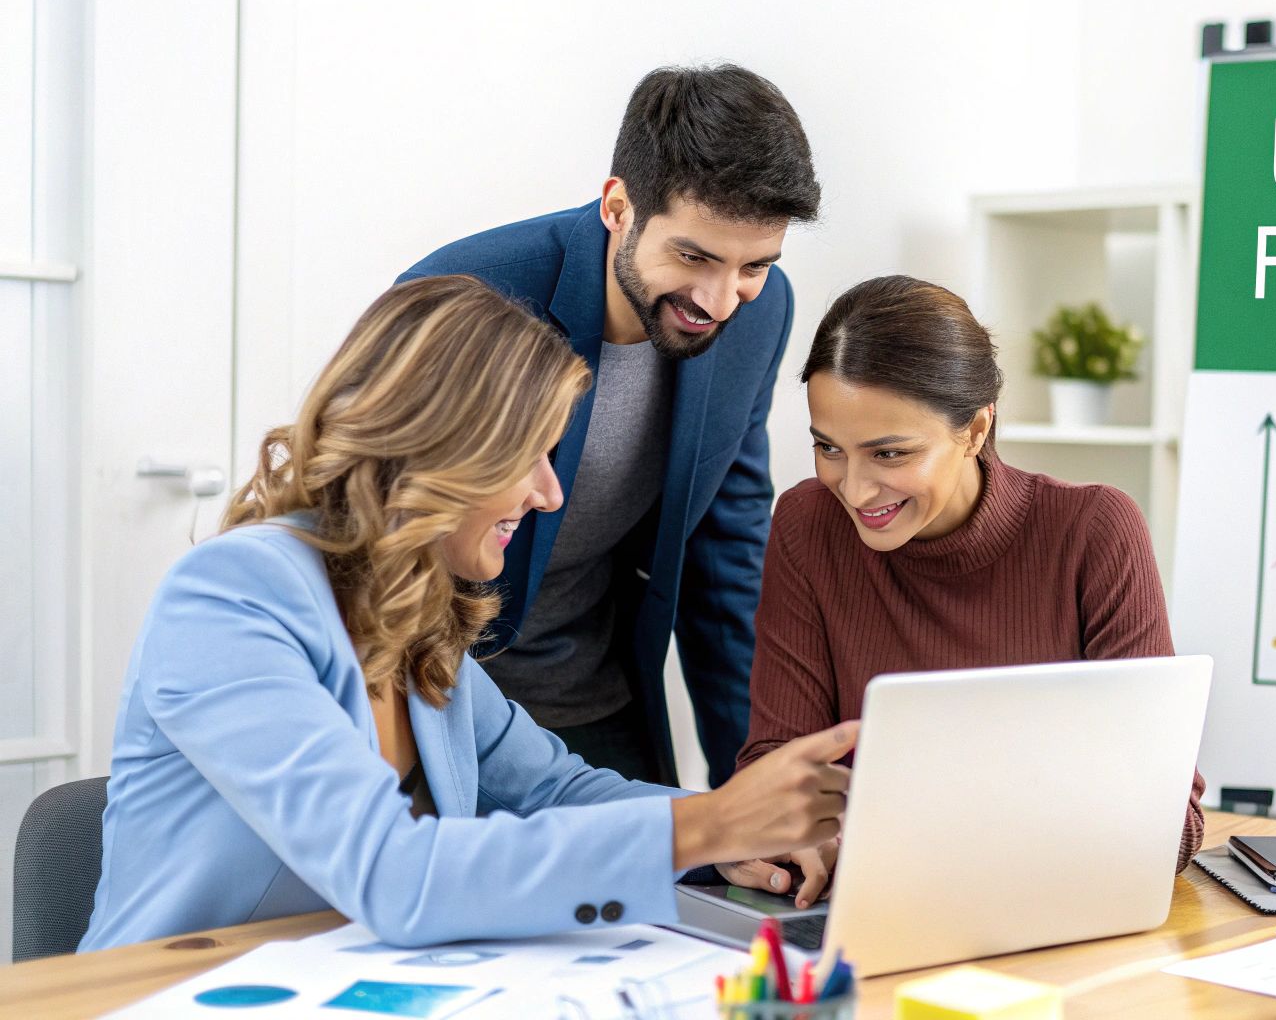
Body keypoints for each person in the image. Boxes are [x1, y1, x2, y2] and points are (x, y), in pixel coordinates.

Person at [80, 277, 855, 951]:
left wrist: (740, 828)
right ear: (446, 449)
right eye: (532, 457)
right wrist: (706, 829)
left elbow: (556, 790)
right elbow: (392, 872)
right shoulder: (233, 596)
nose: (551, 495)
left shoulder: (412, 611)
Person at [397, 64, 820, 788]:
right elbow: (383, 530)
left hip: (596, 696)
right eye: (694, 256)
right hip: (436, 700)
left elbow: (726, 550)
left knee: (682, 886)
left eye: (754, 264)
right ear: (618, 206)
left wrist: (754, 780)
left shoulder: (762, 313)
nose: (720, 301)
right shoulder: (465, 293)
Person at [727, 275, 1207, 906]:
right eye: (828, 448)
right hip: (874, 910)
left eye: (891, 454)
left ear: (976, 430)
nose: (855, 489)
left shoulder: (1094, 533)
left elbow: (1170, 822)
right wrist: (779, 834)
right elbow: (779, 763)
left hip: (1047, 914)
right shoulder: (808, 523)